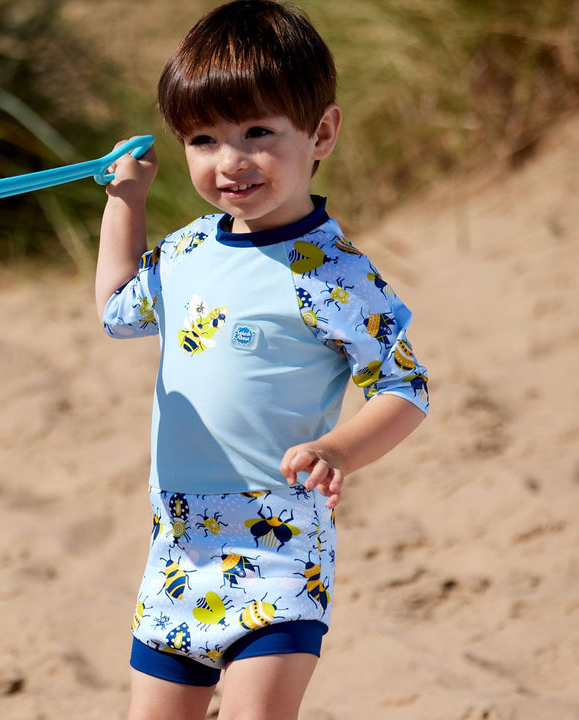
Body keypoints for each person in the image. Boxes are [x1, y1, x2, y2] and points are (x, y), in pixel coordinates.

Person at [94, 1, 429, 718]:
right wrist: (127, 202)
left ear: (322, 133)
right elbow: (120, 308)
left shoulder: (332, 274)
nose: (230, 161)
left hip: (277, 544)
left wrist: (339, 448)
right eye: (204, 139)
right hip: (177, 546)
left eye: (257, 132)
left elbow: (406, 385)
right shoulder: (185, 252)